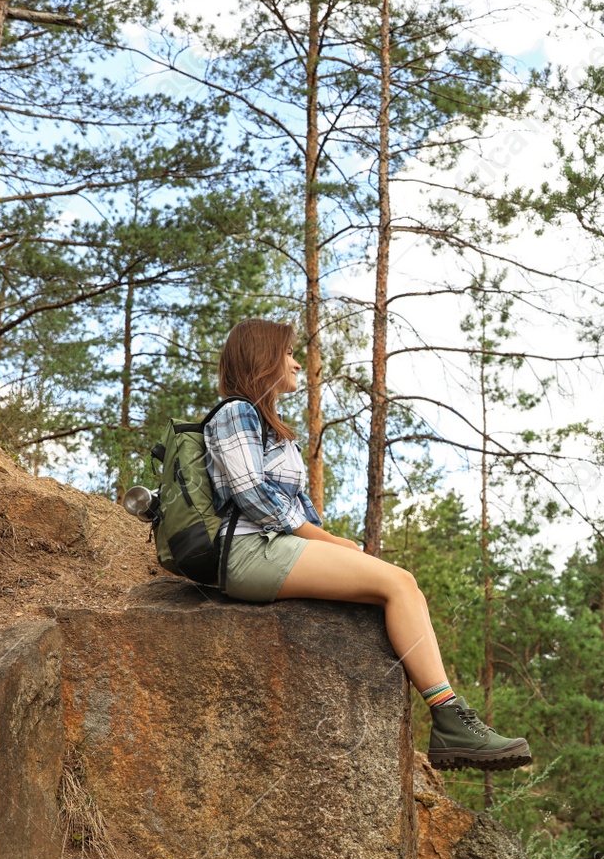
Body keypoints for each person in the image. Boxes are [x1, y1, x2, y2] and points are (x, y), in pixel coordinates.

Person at [203, 317, 532, 772]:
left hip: (271, 546)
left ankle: (453, 719)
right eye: (288, 354)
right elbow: (252, 494)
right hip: (247, 551)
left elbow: (292, 504)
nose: (297, 362)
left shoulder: (271, 424)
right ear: (263, 359)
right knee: (397, 584)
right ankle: (451, 721)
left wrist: (334, 545)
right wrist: (326, 539)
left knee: (402, 584)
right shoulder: (235, 412)